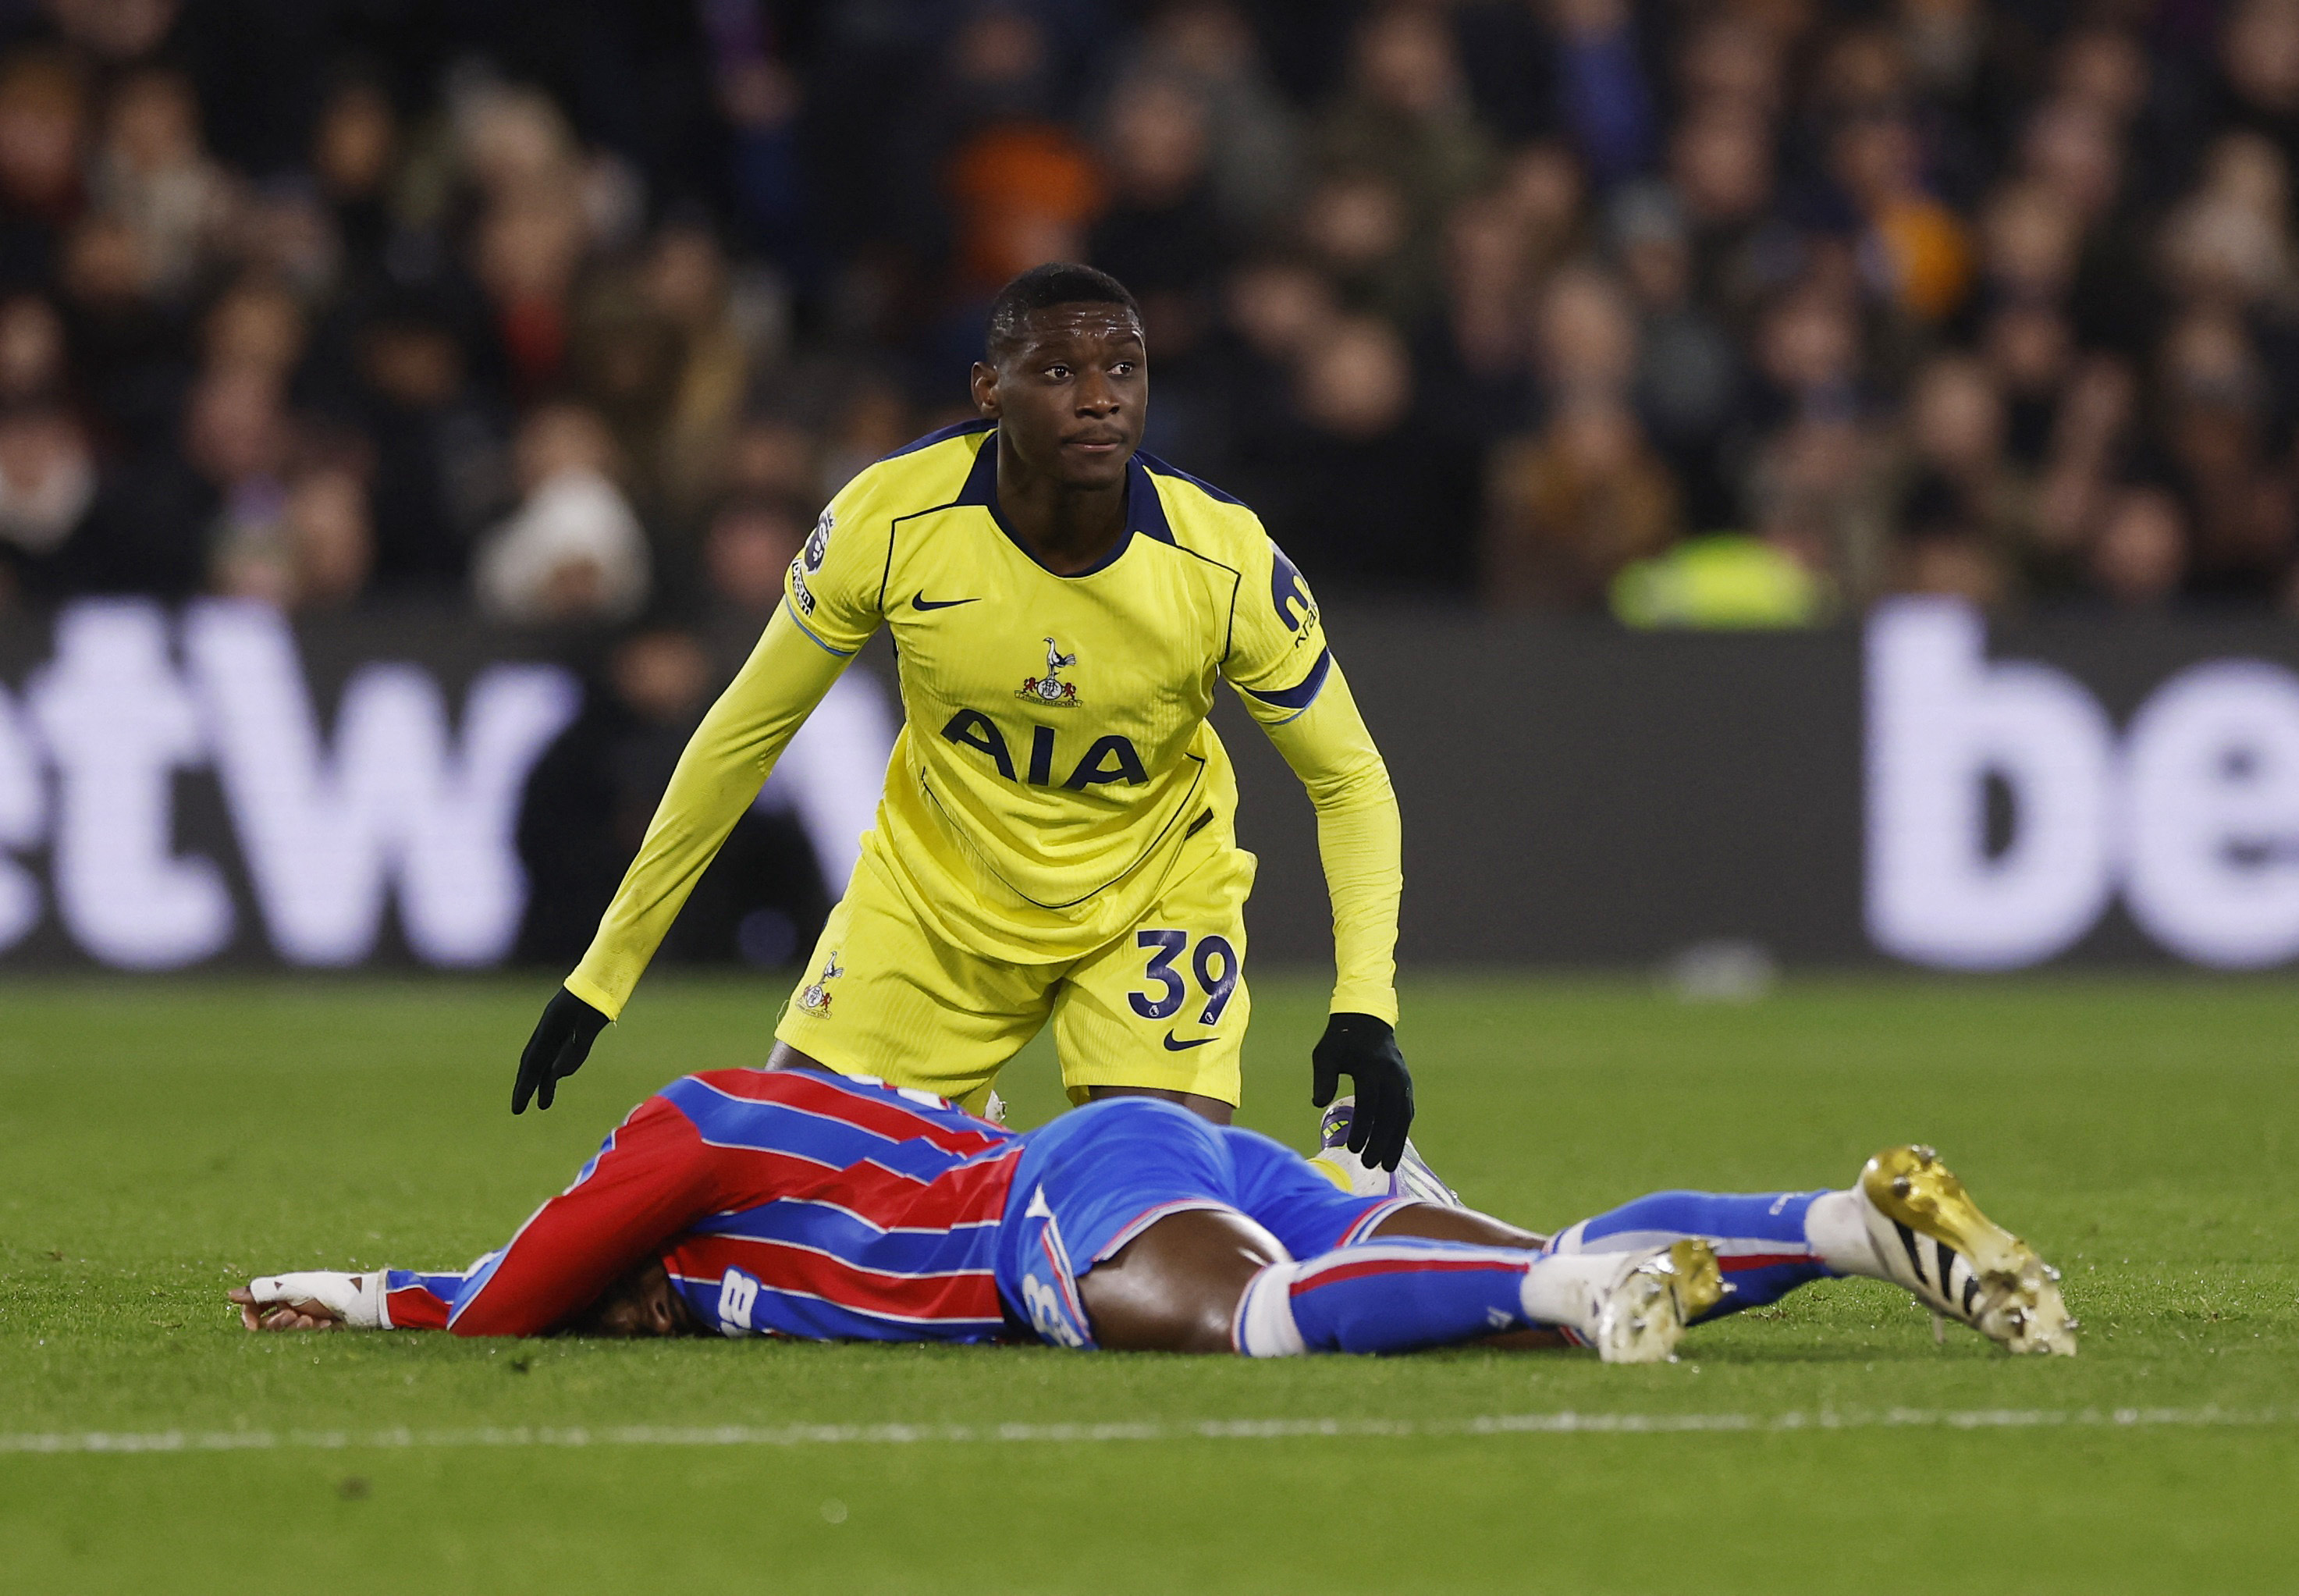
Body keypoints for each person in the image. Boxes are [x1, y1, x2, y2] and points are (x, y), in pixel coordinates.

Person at [512, 264, 1416, 1171]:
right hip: (936, 898)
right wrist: (605, 972)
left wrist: (1366, 1006)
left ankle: (1359, 1189)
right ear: (990, 390)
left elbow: (1348, 778)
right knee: (787, 1184)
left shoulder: (1224, 558)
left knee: (1147, 1206)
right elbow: (743, 736)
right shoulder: (892, 517)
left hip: (1147, 899)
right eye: (1059, 371)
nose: (1100, 398)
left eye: (1124, 369)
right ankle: (970, 1147)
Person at [233, 1065, 2077, 1363]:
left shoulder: (695, 1123)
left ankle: (1586, 1290)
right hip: (1145, 1140)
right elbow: (545, 1278)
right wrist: (368, 1290)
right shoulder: (781, 1185)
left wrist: (413, 1302)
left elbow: (528, 1278)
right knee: (1466, 1263)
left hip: (1060, 1194)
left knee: (1241, 1325)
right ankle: (1856, 1223)